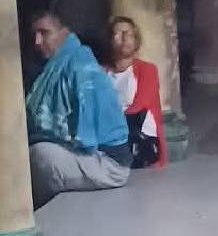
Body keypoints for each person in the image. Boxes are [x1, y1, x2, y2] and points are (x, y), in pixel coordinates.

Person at [25, 11, 130, 209]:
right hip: (82, 152)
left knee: (40, 156)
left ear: (64, 33)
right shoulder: (51, 67)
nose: (37, 41)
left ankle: (33, 215)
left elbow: (85, 140)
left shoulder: (81, 66)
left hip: (108, 163)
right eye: (35, 35)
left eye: (44, 33)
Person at [106, 16, 166, 169]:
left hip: (139, 137)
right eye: (118, 34)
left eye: (129, 34)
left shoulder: (147, 69)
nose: (124, 38)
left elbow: (141, 105)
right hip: (111, 133)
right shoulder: (103, 73)